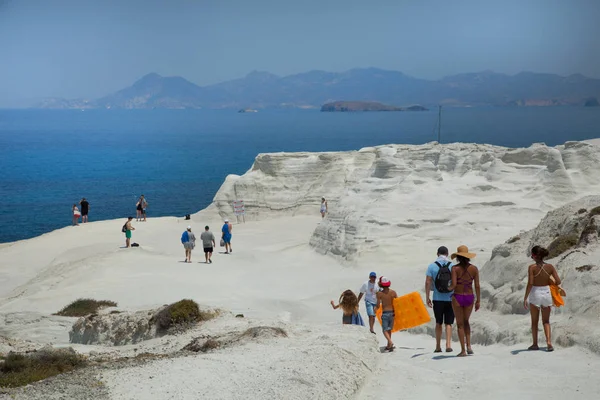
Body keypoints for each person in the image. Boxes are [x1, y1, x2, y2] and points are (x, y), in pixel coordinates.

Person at [524, 245, 561, 352]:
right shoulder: (550, 267)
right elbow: (558, 281)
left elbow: (530, 283)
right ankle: (549, 342)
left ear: (535, 256)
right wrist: (549, 281)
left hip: (535, 293)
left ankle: (535, 344)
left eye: (532, 255)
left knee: (534, 322)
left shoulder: (532, 268)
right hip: (546, 293)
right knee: (546, 321)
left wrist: (525, 297)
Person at [449, 245, 480, 357]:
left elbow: (453, 285)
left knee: (460, 324)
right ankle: (469, 346)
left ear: (457, 256)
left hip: (457, 296)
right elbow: (477, 286)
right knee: (466, 321)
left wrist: (446, 289)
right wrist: (478, 301)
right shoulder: (474, 269)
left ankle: (463, 350)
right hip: (469, 296)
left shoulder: (455, 269)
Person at [425, 246, 455, 353]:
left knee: (438, 322)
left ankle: (438, 346)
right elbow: (456, 282)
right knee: (449, 323)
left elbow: (428, 282)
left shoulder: (432, 266)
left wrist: (427, 297)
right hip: (450, 298)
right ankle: (448, 345)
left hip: (437, 298)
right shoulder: (452, 266)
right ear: (447, 254)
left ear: (437, 253)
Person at [375, 277, 397, 351]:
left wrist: (375, 309)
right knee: (389, 330)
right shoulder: (393, 292)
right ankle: (389, 345)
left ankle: (390, 342)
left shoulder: (379, 294)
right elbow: (397, 303)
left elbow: (378, 305)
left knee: (384, 330)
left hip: (385, 313)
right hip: (392, 313)